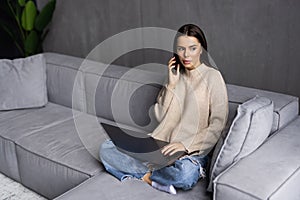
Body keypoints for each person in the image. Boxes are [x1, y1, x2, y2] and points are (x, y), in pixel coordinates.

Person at [99, 24, 228, 194]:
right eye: (181, 49)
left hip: (192, 152)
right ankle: (150, 178)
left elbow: (218, 125)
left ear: (201, 49)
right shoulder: (174, 77)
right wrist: (171, 85)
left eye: (192, 48)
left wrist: (185, 144)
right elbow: (159, 116)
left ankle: (142, 173)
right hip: (160, 147)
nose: (186, 54)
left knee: (185, 175)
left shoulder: (213, 76)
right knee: (106, 148)